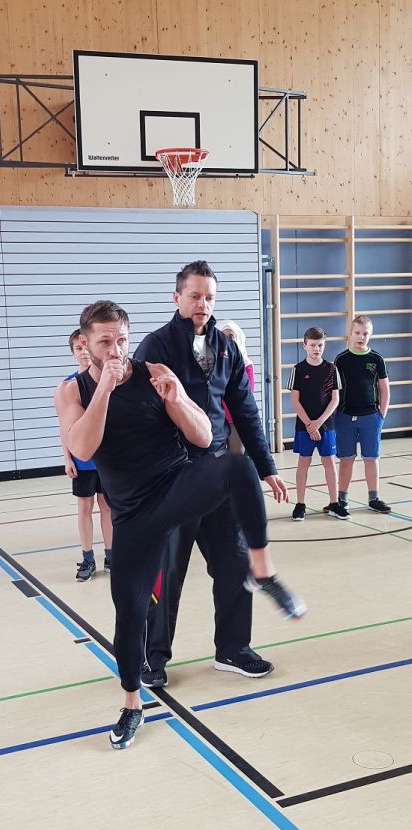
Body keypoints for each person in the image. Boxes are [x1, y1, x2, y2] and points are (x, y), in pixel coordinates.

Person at [54, 300, 304, 749]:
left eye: (121, 340)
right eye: (105, 342)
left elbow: (204, 437)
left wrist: (178, 398)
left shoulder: (153, 372)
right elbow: (83, 448)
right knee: (131, 612)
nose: (116, 350)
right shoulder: (73, 391)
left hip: (176, 484)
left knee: (237, 467)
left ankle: (262, 571)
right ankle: (132, 704)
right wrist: (105, 389)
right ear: (85, 345)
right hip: (133, 515)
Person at [134, 260, 290, 689]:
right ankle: (151, 657)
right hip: (173, 478)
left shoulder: (226, 348)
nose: (202, 304)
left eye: (209, 297)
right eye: (195, 296)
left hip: (219, 476)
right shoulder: (155, 347)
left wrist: (266, 467)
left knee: (235, 562)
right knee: (166, 572)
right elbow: (140, 416)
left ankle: (233, 649)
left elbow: (246, 411)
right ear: (177, 297)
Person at [55, 329, 113, 580]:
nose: (83, 352)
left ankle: (111, 555)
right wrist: (67, 458)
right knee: (84, 506)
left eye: (85, 347)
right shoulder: (68, 387)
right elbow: (65, 426)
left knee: (108, 506)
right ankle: (87, 558)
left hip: (107, 458)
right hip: (83, 459)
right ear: (73, 353)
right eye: (78, 349)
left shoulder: (108, 382)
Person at [287, 326, 349, 522]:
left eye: (320, 345)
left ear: (324, 345)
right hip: (304, 426)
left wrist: (318, 423)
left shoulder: (332, 369)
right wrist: (309, 424)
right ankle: (300, 504)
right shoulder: (297, 370)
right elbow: (295, 401)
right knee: (303, 462)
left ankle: (334, 503)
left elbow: (335, 400)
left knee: (329, 462)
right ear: (304, 345)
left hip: (326, 425)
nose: (316, 349)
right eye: (313, 345)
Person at [331, 315, 391, 514]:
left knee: (371, 458)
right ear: (351, 334)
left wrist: (381, 416)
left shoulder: (377, 359)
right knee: (346, 459)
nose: (361, 337)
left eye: (365, 333)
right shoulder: (341, 359)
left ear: (370, 335)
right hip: (345, 417)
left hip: (371, 417)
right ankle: (342, 499)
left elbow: (384, 389)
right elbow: (334, 389)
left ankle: (374, 498)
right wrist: (335, 415)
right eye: (357, 333)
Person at [216, 320, 254, 453]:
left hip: (236, 419)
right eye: (223, 336)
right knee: (215, 459)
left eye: (231, 336)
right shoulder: (211, 363)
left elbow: (247, 393)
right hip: (216, 419)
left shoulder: (246, 365)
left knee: (236, 458)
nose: (227, 340)